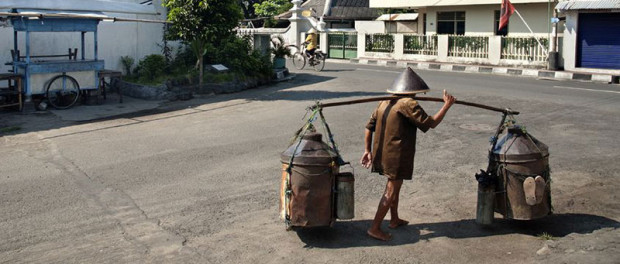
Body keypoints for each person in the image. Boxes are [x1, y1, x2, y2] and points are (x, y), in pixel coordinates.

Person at [360, 67, 456, 241]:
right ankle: (374, 228)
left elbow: (368, 127)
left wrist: (368, 150)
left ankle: (394, 219)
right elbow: (431, 123)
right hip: (396, 155)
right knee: (390, 190)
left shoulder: (384, 102)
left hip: (383, 154)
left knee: (396, 186)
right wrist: (447, 106)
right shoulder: (408, 104)